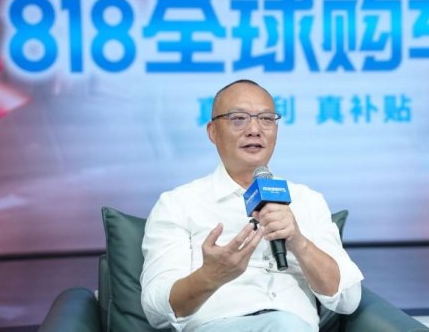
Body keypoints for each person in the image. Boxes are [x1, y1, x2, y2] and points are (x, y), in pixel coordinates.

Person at [140, 79, 364, 332]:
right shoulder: (178, 203)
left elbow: (348, 299)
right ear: (212, 132)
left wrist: (299, 242)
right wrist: (209, 277)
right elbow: (155, 310)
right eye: (238, 119)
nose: (255, 129)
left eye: (266, 119)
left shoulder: (307, 200)